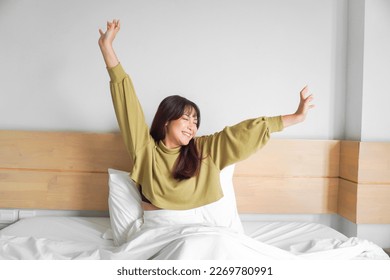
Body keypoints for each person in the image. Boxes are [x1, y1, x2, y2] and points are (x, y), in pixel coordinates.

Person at [98, 19, 314, 212]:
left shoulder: (203, 150)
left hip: (198, 231)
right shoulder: (146, 151)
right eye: (185, 118)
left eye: (195, 121)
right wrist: (107, 47)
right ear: (166, 121)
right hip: (158, 230)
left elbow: (244, 133)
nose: (192, 126)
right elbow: (127, 104)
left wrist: (296, 117)